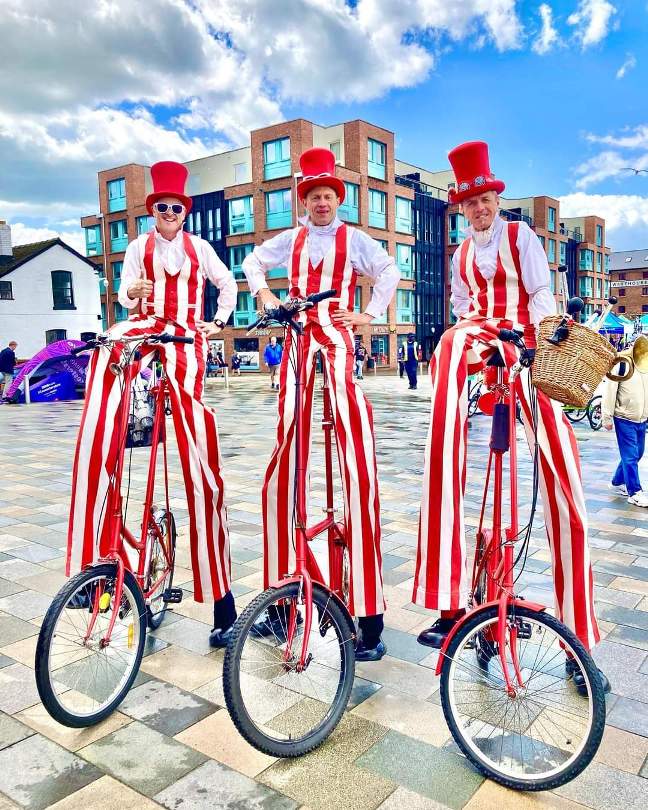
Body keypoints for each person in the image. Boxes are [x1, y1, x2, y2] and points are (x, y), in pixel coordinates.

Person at [413, 141, 608, 693]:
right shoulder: (457, 254)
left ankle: (580, 635)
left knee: (560, 474)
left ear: (496, 198)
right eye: (470, 202)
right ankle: (453, 600)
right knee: (451, 348)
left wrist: (531, 351)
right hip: (484, 350)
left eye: (485, 199)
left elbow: (543, 297)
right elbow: (459, 304)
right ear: (462, 206)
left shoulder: (521, 237)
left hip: (525, 348)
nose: (479, 208)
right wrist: (477, 346)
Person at [66, 161, 239, 648]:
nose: (169, 213)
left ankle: (222, 601)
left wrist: (216, 322)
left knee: (195, 443)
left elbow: (227, 285)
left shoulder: (199, 248)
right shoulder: (138, 246)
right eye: (162, 207)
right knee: (110, 350)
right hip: (144, 330)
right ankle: (95, 562)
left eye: (176, 208)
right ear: (154, 211)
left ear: (184, 212)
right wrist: (131, 292)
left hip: (183, 335)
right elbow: (122, 295)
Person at [243, 147, 400, 661]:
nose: (322, 204)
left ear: (338, 199)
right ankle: (283, 600)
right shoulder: (291, 239)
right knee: (287, 445)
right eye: (314, 197)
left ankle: (369, 613)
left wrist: (370, 313)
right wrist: (264, 295)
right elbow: (251, 259)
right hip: (295, 341)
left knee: (354, 449)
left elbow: (388, 268)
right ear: (304, 201)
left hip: (333, 338)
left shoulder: (353, 239)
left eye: (329, 196)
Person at [603, 335, 648, 507]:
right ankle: (634, 492)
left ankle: (617, 481)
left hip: (641, 418)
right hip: (624, 417)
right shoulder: (621, 364)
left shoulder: (645, 364)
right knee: (630, 456)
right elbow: (610, 390)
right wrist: (606, 417)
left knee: (638, 453)